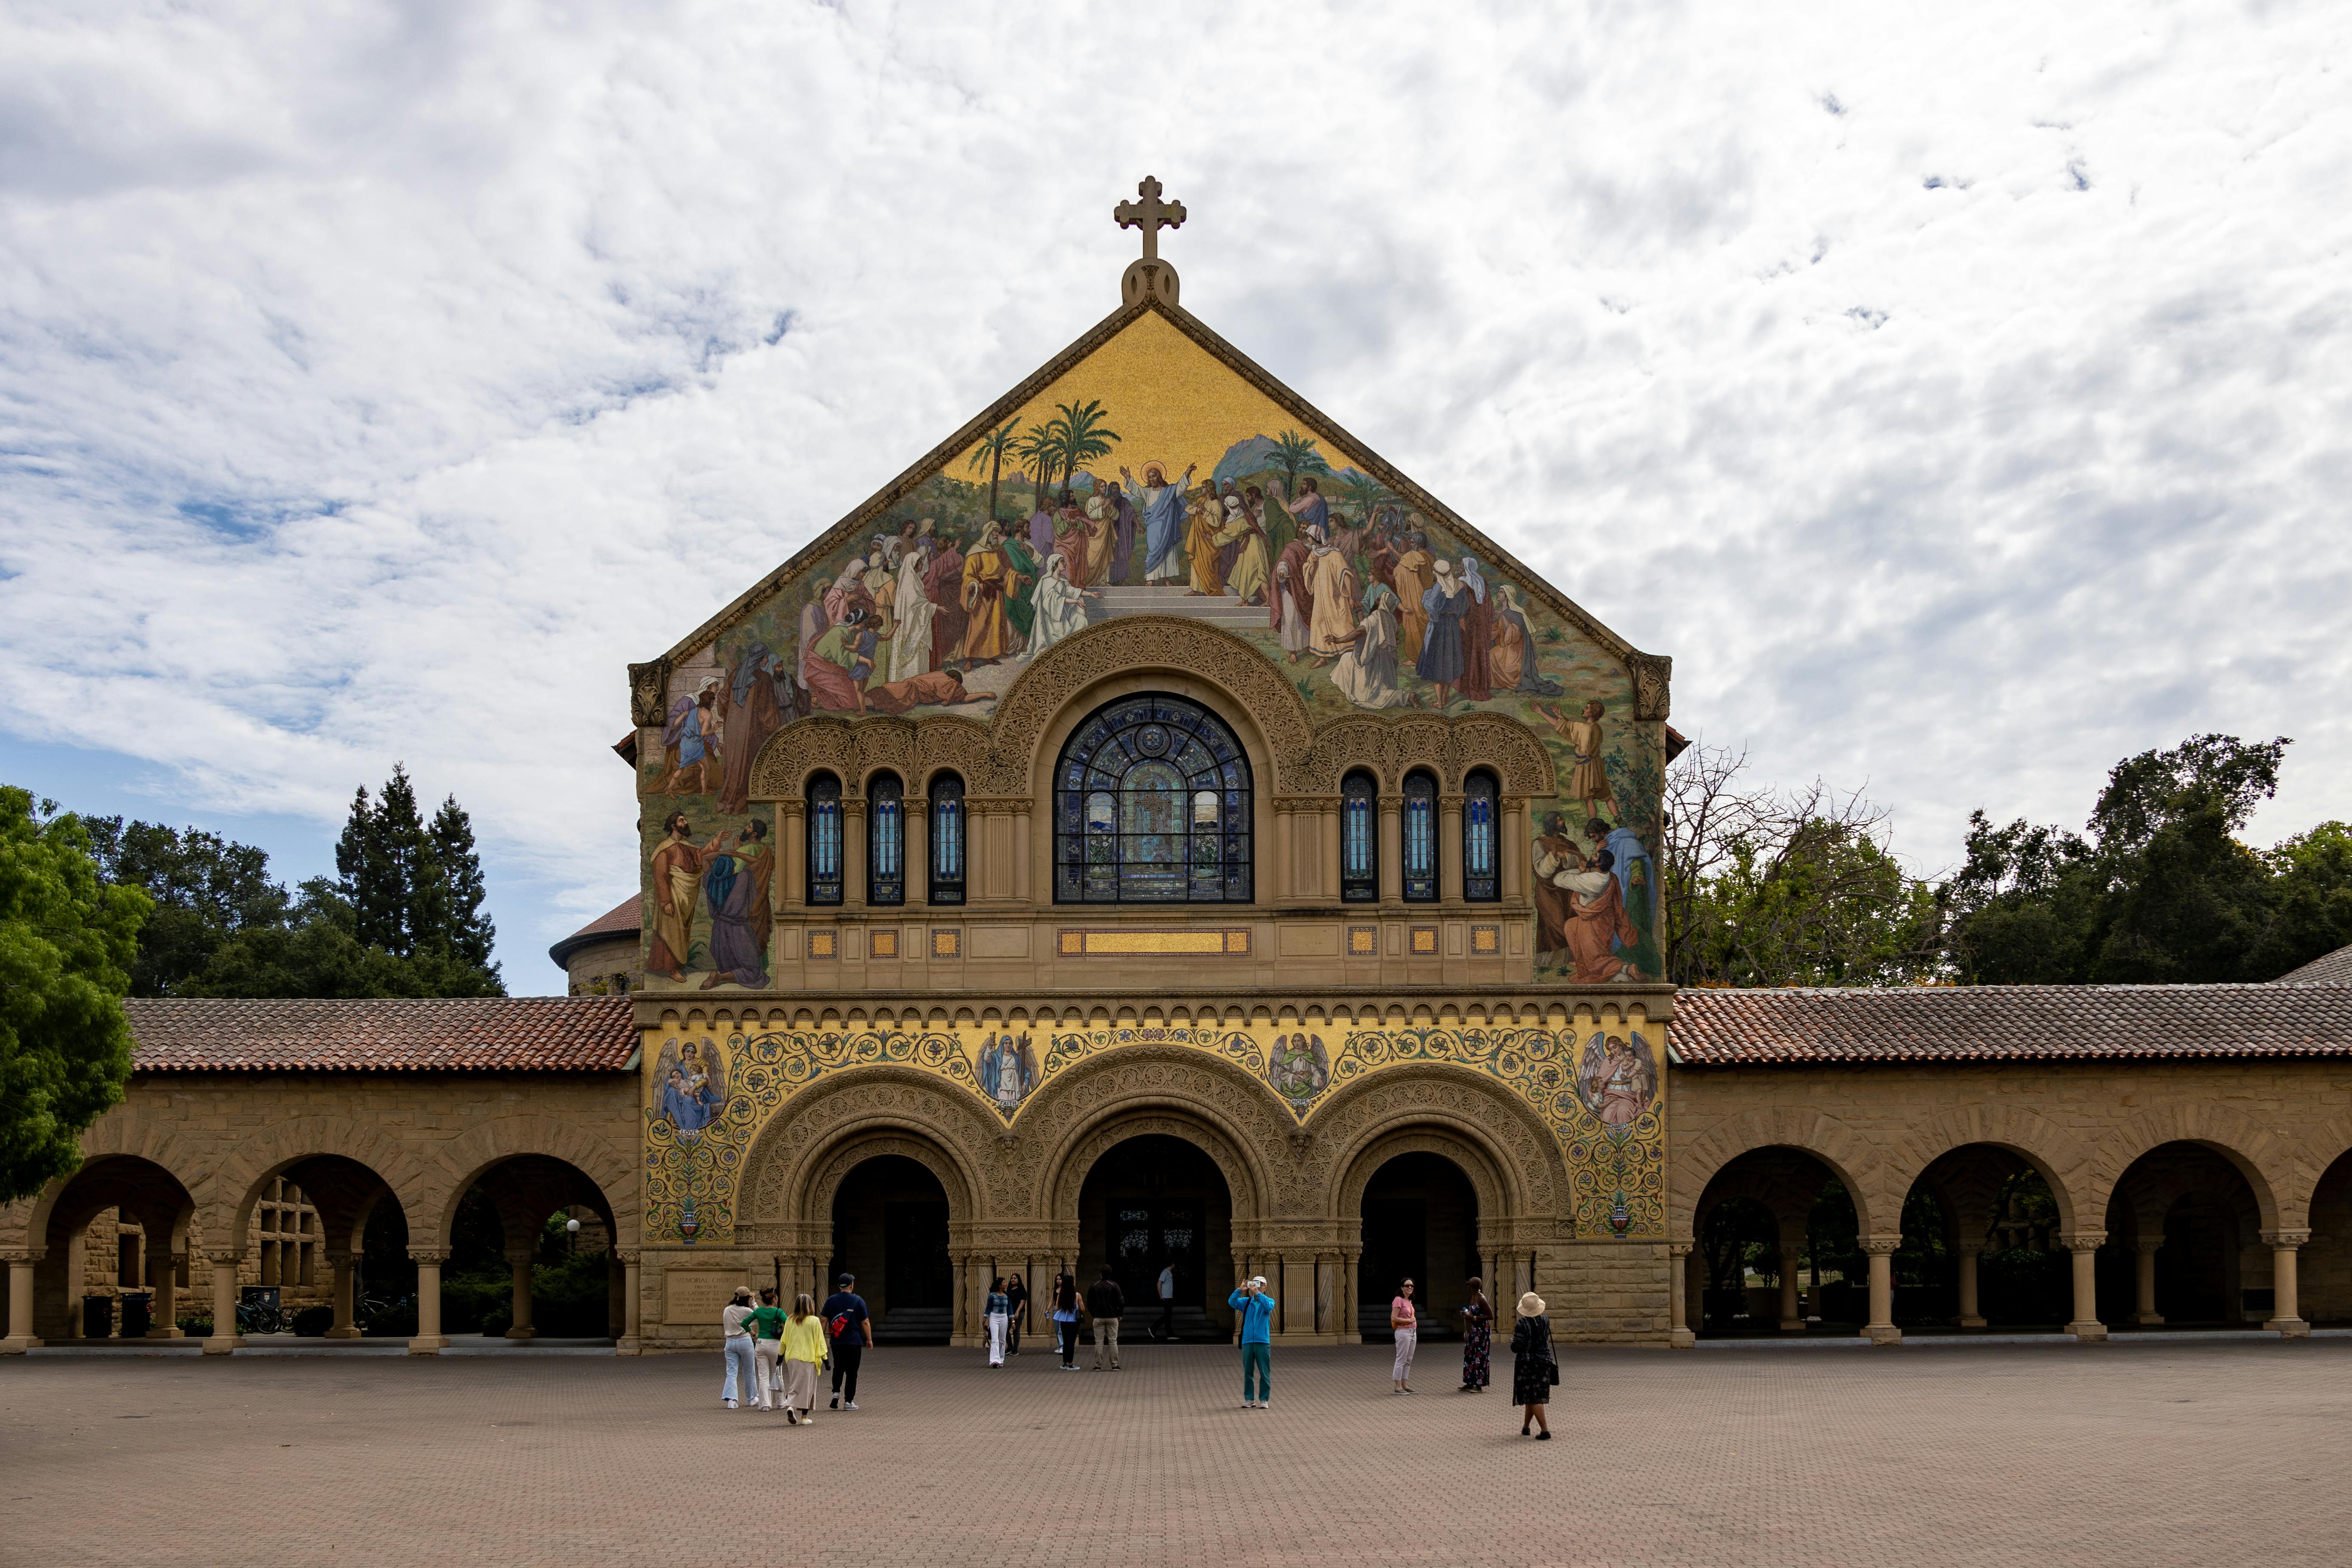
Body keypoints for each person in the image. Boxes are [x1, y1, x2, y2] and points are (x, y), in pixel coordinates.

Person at [821, 1272, 872, 1411]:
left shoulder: (831, 1300)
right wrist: (869, 1339)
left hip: (837, 1342)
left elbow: (824, 1319)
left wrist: (821, 1338)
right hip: (854, 1342)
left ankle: (836, 1392)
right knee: (852, 1372)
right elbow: (865, 1322)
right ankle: (848, 1402)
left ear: (839, 1286)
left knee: (838, 1368)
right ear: (852, 1285)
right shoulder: (858, 1301)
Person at [1511, 1291, 1556, 1438]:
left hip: (1527, 1363)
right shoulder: (1545, 1320)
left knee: (1534, 1397)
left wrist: (1514, 1344)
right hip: (1544, 1361)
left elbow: (1517, 1347)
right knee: (1531, 1396)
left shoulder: (1522, 1324)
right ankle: (1526, 1427)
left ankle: (1545, 1430)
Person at [1228, 1275, 1276, 1409]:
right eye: (1255, 1284)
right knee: (1248, 1371)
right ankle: (1249, 1399)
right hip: (1248, 1341)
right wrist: (1240, 1290)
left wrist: (1258, 1295)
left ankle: (1264, 1400)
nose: (1257, 1287)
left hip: (1262, 1342)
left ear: (1265, 1288)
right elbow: (1232, 1303)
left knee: (1264, 1372)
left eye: (1261, 1285)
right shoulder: (1246, 1302)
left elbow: (1268, 1308)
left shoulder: (1269, 1301)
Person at [781, 1292, 828, 1425]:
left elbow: (784, 1340)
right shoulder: (814, 1321)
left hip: (792, 1358)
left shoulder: (790, 1320)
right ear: (810, 1306)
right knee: (808, 1387)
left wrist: (780, 1356)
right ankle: (803, 1416)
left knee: (795, 1383)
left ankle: (791, 1406)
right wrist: (826, 1359)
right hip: (808, 1358)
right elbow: (820, 1341)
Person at [748, 1287, 788, 1411]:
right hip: (775, 1345)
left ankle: (765, 1404)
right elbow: (788, 1323)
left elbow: (744, 1323)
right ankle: (781, 1402)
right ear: (774, 1299)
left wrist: (754, 1334)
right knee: (777, 1373)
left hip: (761, 1344)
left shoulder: (759, 1311)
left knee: (763, 1376)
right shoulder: (779, 1312)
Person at [720, 1285, 758, 1410]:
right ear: (748, 1298)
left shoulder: (727, 1310)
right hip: (745, 1340)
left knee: (731, 1372)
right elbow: (759, 1317)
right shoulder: (747, 1311)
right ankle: (752, 1398)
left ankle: (731, 1400)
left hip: (730, 1342)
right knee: (749, 1371)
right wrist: (754, 1303)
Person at [1086, 1267, 1125, 1371]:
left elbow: (1089, 1302)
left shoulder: (1094, 1286)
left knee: (1099, 1341)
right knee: (1113, 1341)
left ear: (1101, 1274)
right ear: (1110, 1274)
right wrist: (1119, 1314)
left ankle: (1098, 1366)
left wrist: (1093, 1313)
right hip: (1112, 1317)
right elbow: (1121, 1301)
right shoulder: (1114, 1286)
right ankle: (1115, 1365)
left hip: (1098, 1317)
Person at [1460, 1277, 1493, 1392]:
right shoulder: (1473, 1297)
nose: (1467, 1286)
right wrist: (1466, 1315)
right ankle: (1470, 1382)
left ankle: (1479, 1385)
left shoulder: (1481, 1299)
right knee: (1470, 1355)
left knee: (1480, 1357)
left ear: (1473, 1287)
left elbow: (1490, 1316)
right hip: (1474, 1330)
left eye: (1468, 1284)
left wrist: (1473, 1317)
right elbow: (1473, 1312)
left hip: (1482, 1332)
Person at [1390, 1277, 1418, 1393]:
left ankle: (1405, 1385)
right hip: (1403, 1332)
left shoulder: (1409, 1300)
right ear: (1402, 1288)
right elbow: (1394, 1318)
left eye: (1412, 1286)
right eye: (1407, 1286)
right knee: (1401, 1359)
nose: (1410, 1288)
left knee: (1408, 1360)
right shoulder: (1399, 1300)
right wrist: (1409, 1320)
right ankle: (1398, 1387)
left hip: (1412, 1332)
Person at [1050, 1272, 1082, 1370]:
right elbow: (1083, 1309)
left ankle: (1064, 1363)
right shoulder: (1077, 1296)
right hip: (1073, 1321)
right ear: (1072, 1284)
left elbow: (1056, 1307)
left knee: (1065, 1341)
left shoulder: (1061, 1295)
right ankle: (1070, 1364)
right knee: (1071, 1342)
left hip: (1063, 1319)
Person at [984, 1277, 1011, 1367]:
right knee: (995, 1339)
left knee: (1002, 1340)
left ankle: (1000, 1359)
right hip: (994, 1317)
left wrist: (1013, 1321)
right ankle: (994, 1360)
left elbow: (1010, 1309)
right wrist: (985, 1319)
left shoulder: (1007, 1296)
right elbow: (988, 1308)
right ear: (1000, 1285)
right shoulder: (992, 1296)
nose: (1006, 1284)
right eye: (1004, 1282)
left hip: (1004, 1317)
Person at [1004, 1270, 1029, 1357]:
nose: (1013, 1280)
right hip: (1009, 1313)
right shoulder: (1009, 1290)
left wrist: (1017, 1312)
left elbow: (1023, 1302)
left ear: (1019, 1280)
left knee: (1016, 1330)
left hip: (1019, 1313)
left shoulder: (1021, 1290)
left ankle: (1015, 1349)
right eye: (1012, 1278)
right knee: (1005, 1330)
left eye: (1015, 1278)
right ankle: (1010, 1347)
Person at [1155, 1262, 1176, 1341]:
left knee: (1168, 1315)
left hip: (1169, 1297)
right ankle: (1154, 1327)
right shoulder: (1165, 1272)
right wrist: (1161, 1296)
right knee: (1168, 1315)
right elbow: (1159, 1284)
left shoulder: (1169, 1273)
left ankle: (1170, 1333)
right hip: (1166, 1297)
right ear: (1172, 1264)